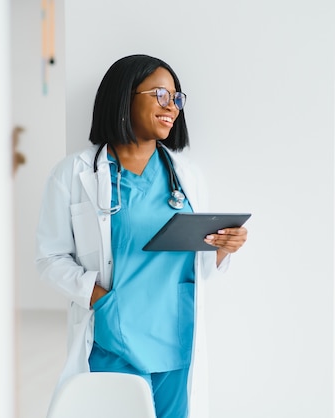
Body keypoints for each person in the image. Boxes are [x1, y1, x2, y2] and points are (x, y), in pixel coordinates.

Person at [36, 54, 247, 418]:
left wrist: (222, 249)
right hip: (113, 339)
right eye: (161, 95)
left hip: (176, 339)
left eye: (177, 98)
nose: (172, 107)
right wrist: (100, 299)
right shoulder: (75, 173)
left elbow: (196, 267)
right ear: (124, 96)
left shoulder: (188, 176)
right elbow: (49, 259)